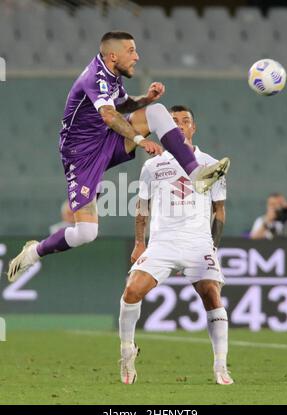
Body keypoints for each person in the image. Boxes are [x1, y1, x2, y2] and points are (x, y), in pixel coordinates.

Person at [8, 31, 230, 282]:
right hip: (81, 157)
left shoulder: (113, 76)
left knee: (156, 111)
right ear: (114, 56)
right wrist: (139, 139)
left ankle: (196, 174)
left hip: (106, 139)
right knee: (86, 233)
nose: (137, 56)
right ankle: (34, 252)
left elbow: (121, 106)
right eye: (131, 51)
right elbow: (109, 116)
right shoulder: (96, 77)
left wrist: (146, 99)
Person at [119, 105, 233, 386]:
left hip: (198, 243)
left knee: (211, 294)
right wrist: (139, 243)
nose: (180, 126)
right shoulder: (153, 165)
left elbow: (219, 211)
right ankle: (126, 352)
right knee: (132, 291)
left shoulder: (211, 164)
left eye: (186, 121)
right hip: (162, 243)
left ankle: (221, 366)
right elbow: (142, 206)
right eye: (174, 122)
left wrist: (213, 247)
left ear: (194, 128)